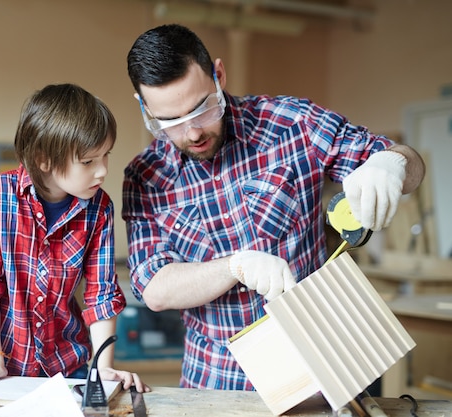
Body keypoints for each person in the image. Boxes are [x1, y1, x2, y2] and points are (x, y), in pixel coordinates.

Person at [122, 24, 425, 390]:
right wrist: (234, 267)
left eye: (202, 110)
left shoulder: (292, 123)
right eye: (170, 122)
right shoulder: (145, 176)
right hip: (216, 383)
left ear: (218, 75)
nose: (192, 133)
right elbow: (154, 288)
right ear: (144, 107)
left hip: (319, 369)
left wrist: (391, 164)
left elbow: (408, 163)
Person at [0, 83, 149, 393]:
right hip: (4, 368)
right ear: (44, 159)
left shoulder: (99, 208)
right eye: (88, 162)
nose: (102, 172)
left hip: (68, 365)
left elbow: (101, 294)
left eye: (105, 156)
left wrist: (103, 367)